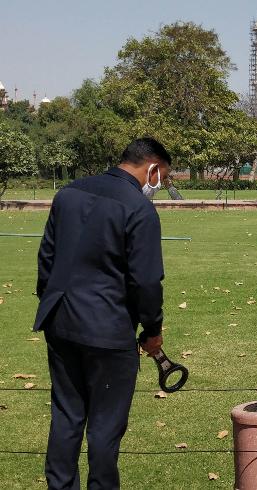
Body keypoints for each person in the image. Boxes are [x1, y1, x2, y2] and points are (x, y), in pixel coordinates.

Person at [34, 137, 171, 488]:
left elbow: (47, 258)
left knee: (66, 417)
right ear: (152, 168)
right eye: (163, 178)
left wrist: (51, 306)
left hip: (61, 322)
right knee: (105, 428)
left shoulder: (68, 193)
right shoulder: (139, 210)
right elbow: (146, 281)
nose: (159, 186)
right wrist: (152, 330)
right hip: (108, 331)